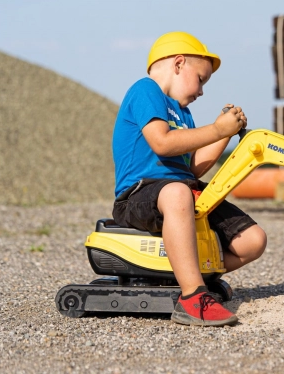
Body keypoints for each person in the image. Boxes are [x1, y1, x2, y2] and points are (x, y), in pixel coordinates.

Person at [111, 31, 267, 326]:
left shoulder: (183, 114)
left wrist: (226, 136)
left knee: (253, 241)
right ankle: (193, 295)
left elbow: (190, 169)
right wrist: (218, 130)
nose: (202, 92)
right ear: (179, 63)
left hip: (181, 189)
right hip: (139, 194)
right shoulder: (146, 91)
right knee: (177, 193)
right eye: (201, 79)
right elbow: (162, 143)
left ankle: (192, 273)